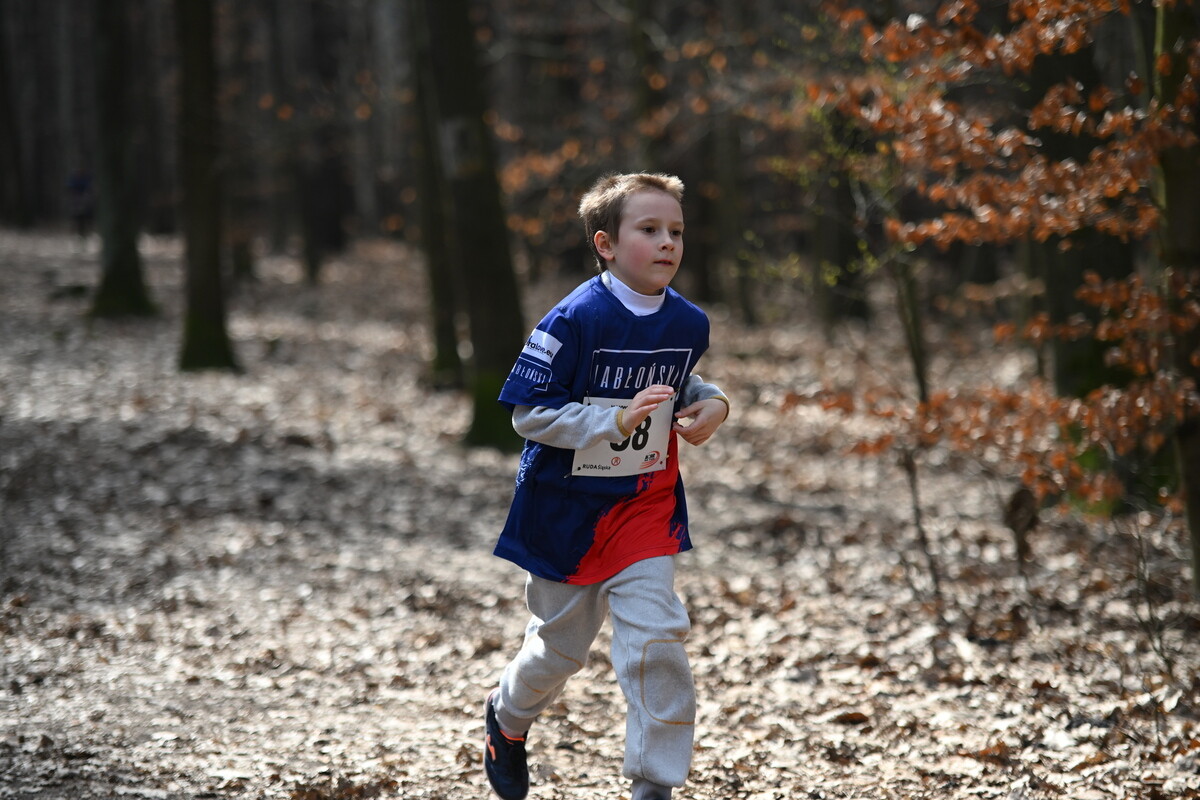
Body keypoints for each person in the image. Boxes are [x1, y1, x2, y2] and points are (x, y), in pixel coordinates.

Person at [483, 172, 730, 800]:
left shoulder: (689, 322)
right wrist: (611, 421)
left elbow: (683, 382)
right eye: (649, 230)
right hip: (564, 513)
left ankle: (655, 785)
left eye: (676, 231)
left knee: (656, 642)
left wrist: (715, 402)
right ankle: (507, 721)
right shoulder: (573, 319)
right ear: (606, 244)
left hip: (646, 509)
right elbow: (528, 413)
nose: (668, 243)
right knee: (559, 652)